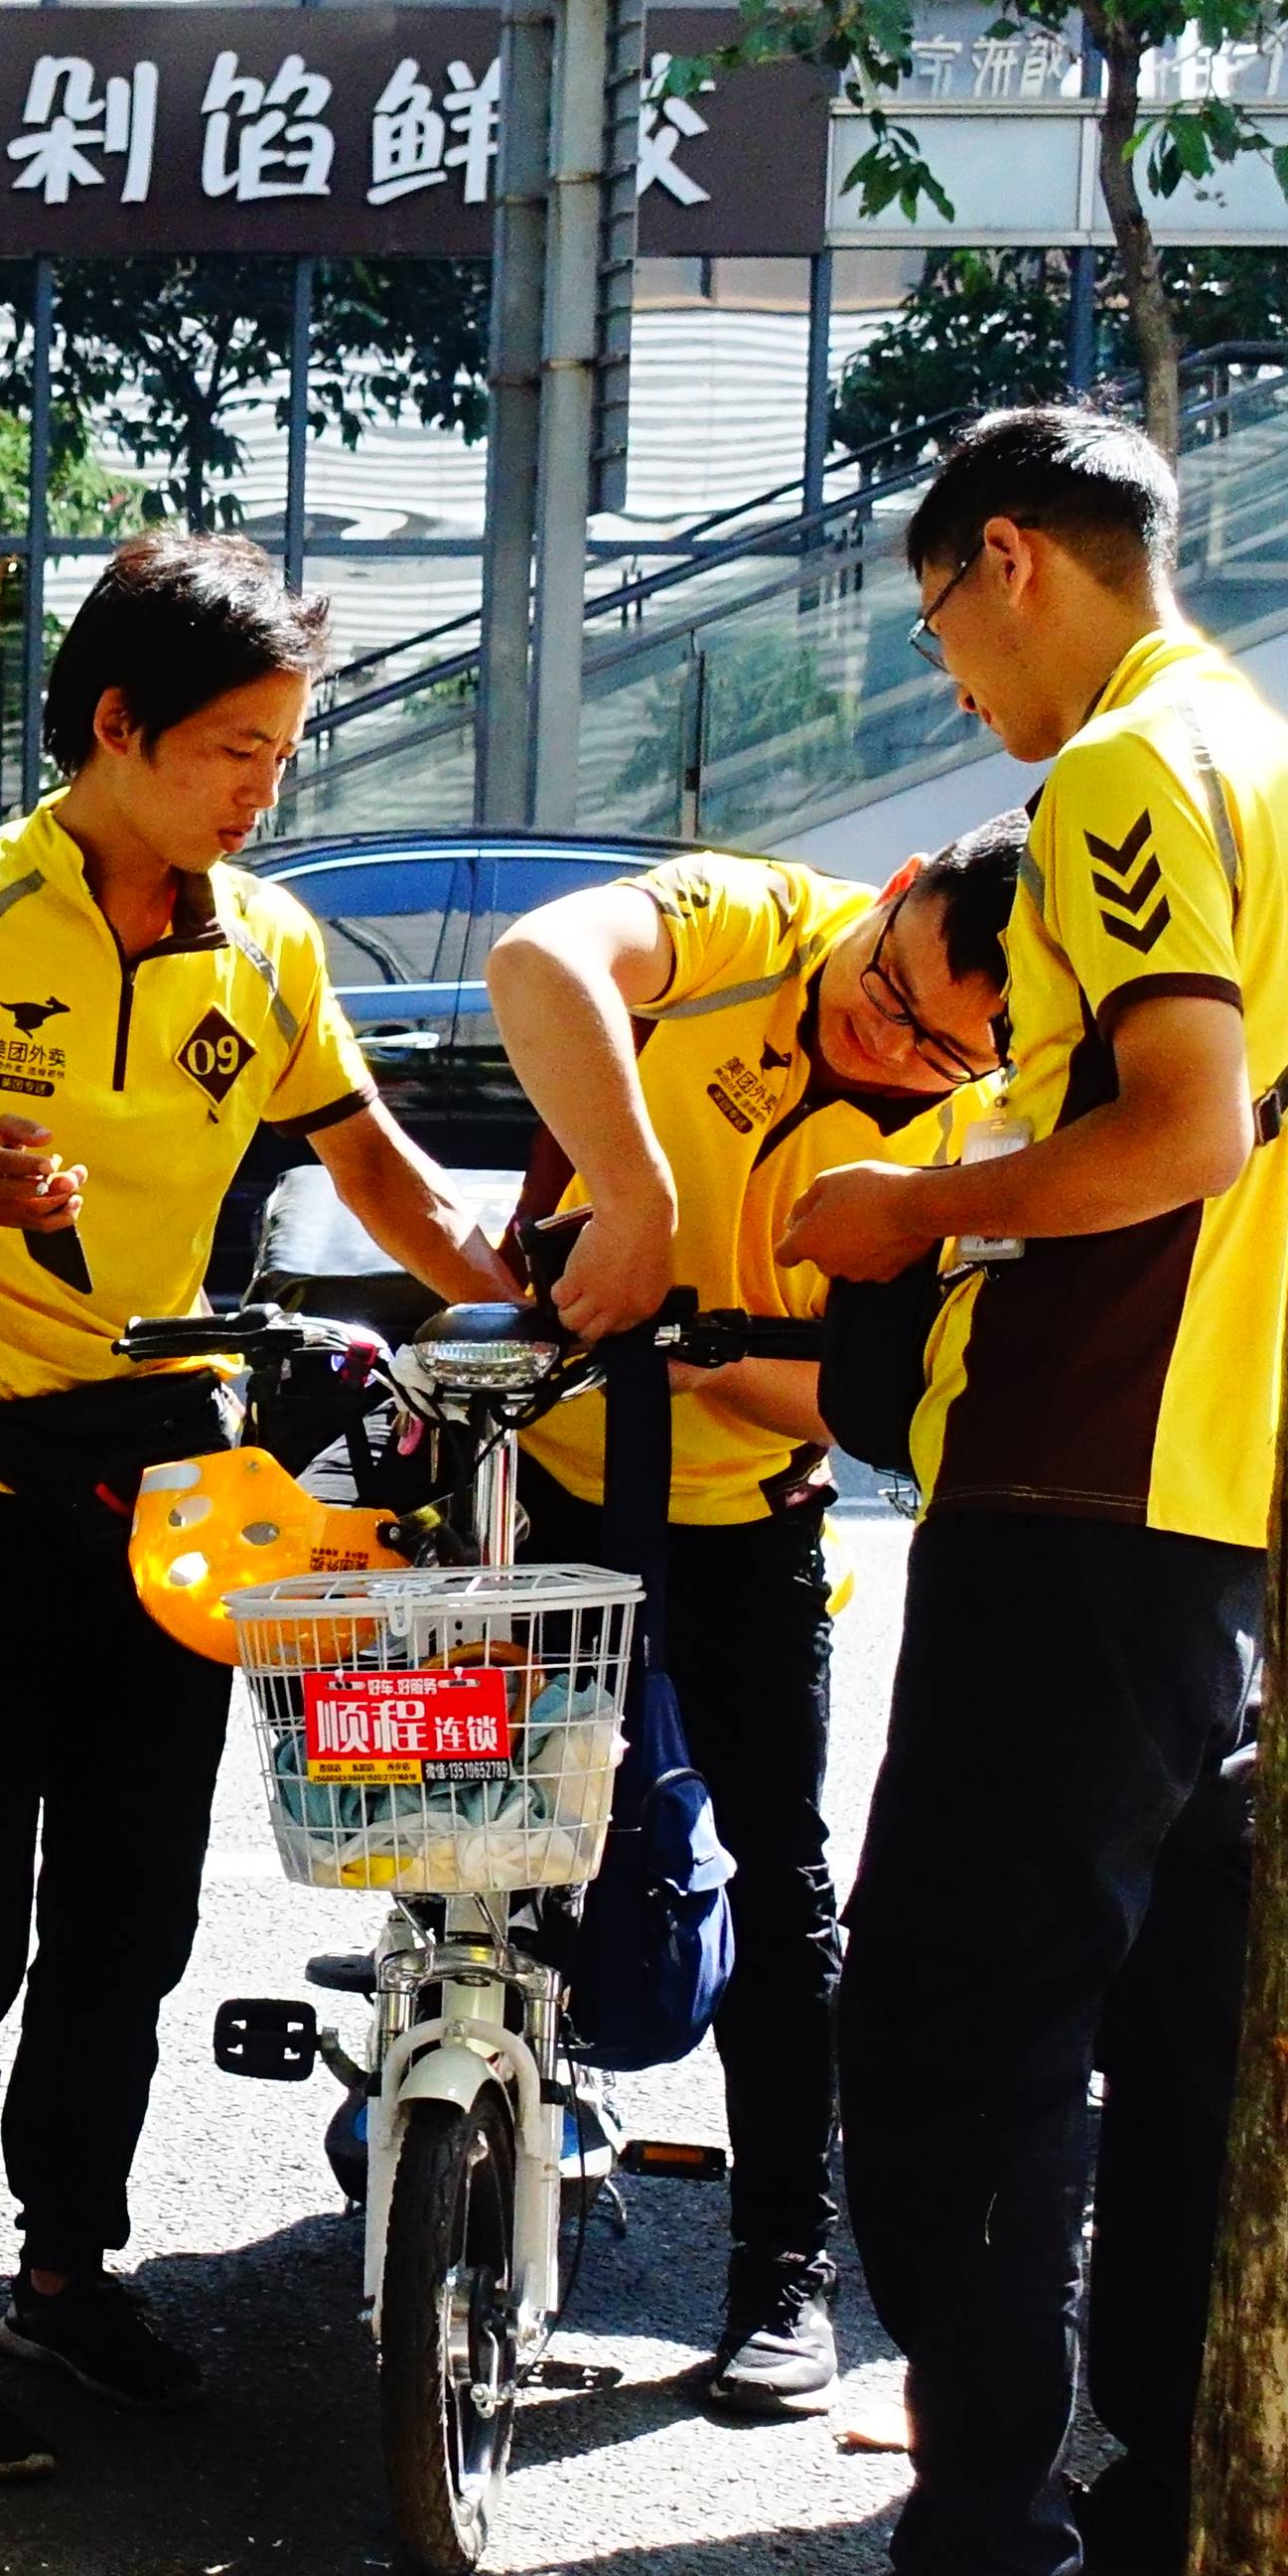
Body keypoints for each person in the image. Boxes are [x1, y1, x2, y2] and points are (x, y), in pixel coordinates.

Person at [0, 528, 524, 2483]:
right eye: (239, 751)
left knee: (132, 1926)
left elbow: (393, 1186)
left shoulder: (264, 949)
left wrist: (563, 1275)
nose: (268, 789)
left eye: (282, 752)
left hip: (185, 1502)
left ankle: (68, 2269)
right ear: (118, 726)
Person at [782, 403, 1288, 2576]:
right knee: (1176, 2034)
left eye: (942, 628)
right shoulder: (1284, 760)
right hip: (1231, 1499)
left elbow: (1176, 1125)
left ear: (1015, 558)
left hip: (1091, 1471)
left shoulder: (1115, 772)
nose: (958, 687)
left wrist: (924, 1201)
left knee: (945, 2026)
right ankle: (1169, 2495)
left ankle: (982, 2525)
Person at [481, 819, 1024, 2417]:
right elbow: (539, 962)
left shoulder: (985, 1119)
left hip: (744, 1520)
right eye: (896, 988)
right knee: (486, 1841)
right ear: (901, 891)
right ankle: (452, 2133)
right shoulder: (751, 919)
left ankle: (785, 2266)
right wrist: (637, 1198)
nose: (895, 1039)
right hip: (543, 1483)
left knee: (785, 1892)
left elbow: (894, 1399)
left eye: (941, 1045)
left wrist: (708, 1358)